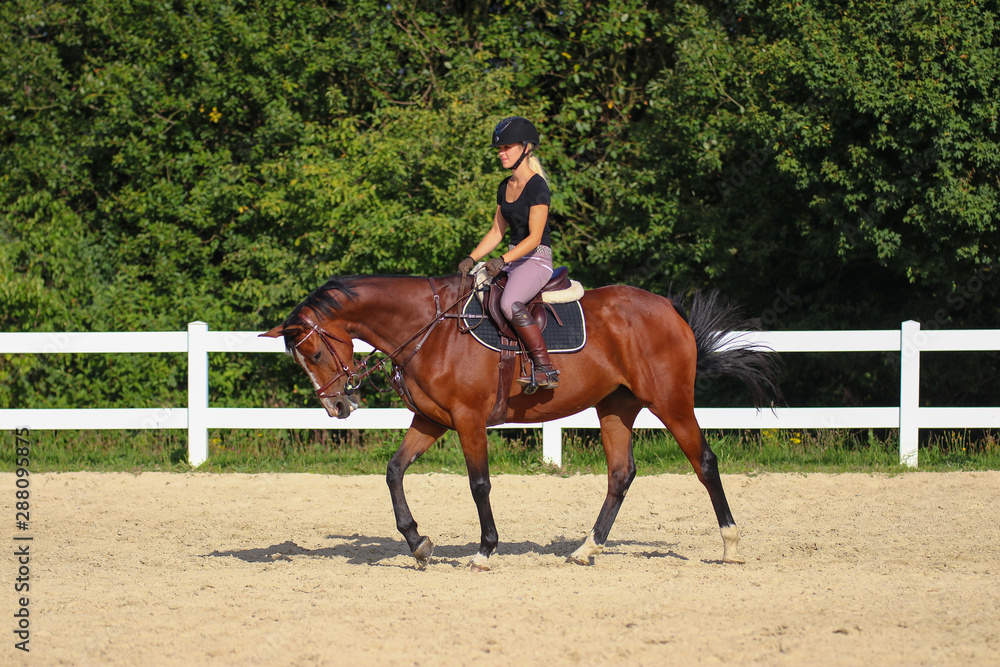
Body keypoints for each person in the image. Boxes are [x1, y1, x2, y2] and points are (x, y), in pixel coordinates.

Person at [457, 116, 560, 392]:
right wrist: (471, 258)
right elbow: (496, 232)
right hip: (513, 258)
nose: (501, 153)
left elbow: (535, 237)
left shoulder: (538, 187)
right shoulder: (504, 186)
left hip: (536, 258)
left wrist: (502, 260)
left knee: (509, 302)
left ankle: (545, 367)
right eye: (499, 149)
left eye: (507, 148)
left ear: (526, 148)